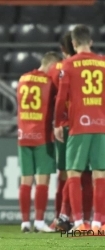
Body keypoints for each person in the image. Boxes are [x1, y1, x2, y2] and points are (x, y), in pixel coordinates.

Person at [55, 24, 105, 232]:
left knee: (74, 173)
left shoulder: (68, 65)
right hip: (101, 125)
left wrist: (58, 123)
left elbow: (61, 98)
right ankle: (98, 224)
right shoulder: (103, 63)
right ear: (91, 42)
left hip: (79, 125)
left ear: (74, 44)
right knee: (100, 175)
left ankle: (79, 224)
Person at [48, 32, 93, 231]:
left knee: (67, 174)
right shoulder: (88, 66)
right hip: (88, 123)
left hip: (65, 126)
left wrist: (55, 123)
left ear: (63, 49)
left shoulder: (59, 68)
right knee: (89, 175)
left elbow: (53, 99)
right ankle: (86, 219)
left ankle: (62, 217)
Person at [17, 51, 61, 233]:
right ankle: (40, 221)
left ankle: (25, 222)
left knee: (26, 180)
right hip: (42, 135)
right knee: (43, 180)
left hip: (23, 135)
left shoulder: (22, 78)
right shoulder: (50, 82)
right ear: (52, 65)